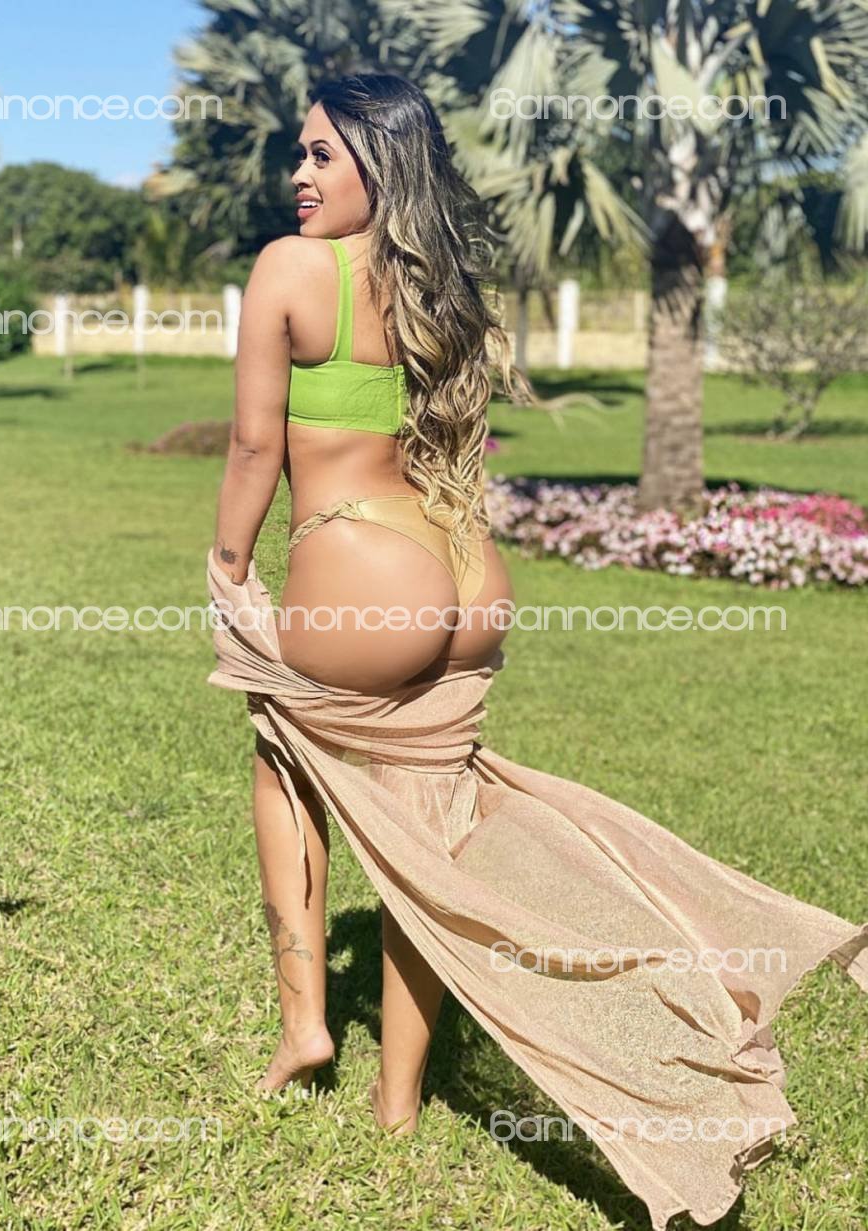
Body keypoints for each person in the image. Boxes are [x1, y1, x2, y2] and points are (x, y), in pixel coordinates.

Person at [205, 73, 867, 1231]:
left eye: (319, 154)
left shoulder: (291, 270)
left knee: (280, 755)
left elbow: (257, 445)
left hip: (362, 565)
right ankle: (397, 1102)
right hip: (467, 574)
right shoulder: (444, 285)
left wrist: (226, 567)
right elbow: (460, 450)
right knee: (425, 840)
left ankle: (306, 1022)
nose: (296, 175)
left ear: (377, 164)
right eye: (297, 155)